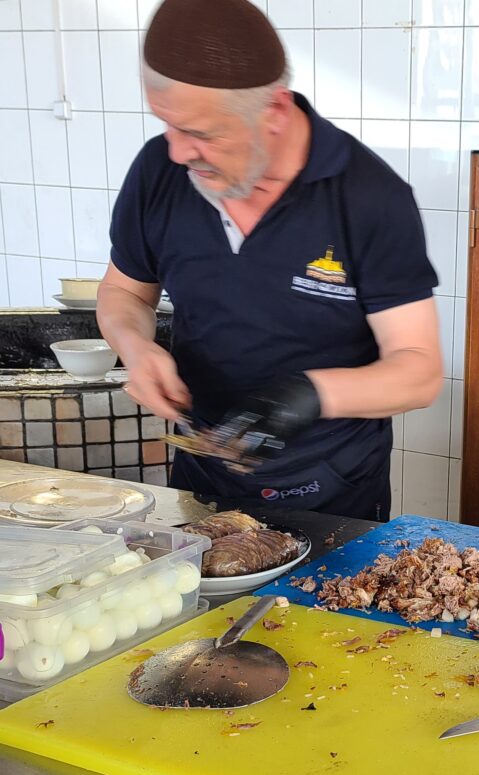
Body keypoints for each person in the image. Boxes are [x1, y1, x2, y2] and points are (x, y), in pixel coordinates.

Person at [97, 0, 442, 519]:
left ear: (275, 111)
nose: (177, 152)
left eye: (202, 134)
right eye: (168, 125)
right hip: (202, 481)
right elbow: (124, 291)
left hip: (332, 492)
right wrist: (135, 346)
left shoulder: (369, 197)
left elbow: (419, 372)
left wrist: (309, 393)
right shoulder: (159, 174)